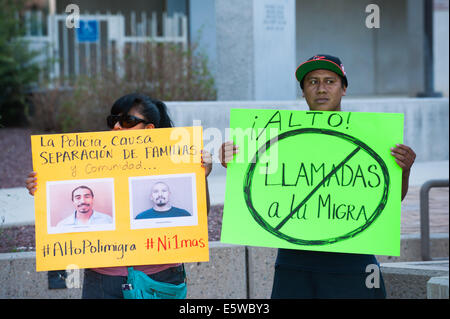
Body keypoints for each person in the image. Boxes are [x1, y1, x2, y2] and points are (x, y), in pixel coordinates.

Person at [219, 54, 416, 299]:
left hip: (353, 262)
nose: (321, 88)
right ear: (303, 92)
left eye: (329, 81)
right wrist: (235, 163)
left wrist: (404, 171)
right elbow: (259, 187)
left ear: (344, 88)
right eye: (312, 82)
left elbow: (389, 200)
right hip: (294, 262)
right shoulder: (278, 140)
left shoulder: (373, 138)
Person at [26, 93, 213, 299]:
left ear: (149, 129)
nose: (116, 127)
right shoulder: (91, 160)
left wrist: (201, 176)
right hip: (102, 279)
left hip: (159, 279)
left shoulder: (178, 161)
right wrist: (40, 187)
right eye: (113, 120)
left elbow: (199, 215)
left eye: (127, 121)